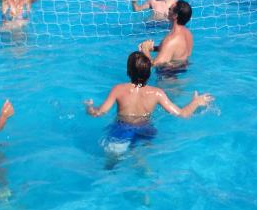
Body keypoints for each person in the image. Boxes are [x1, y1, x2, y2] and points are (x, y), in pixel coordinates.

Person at [85, 51, 213, 152]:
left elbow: (98, 113)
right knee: (141, 155)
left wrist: (89, 107)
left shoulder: (118, 90)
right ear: (149, 73)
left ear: (128, 72)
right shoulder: (157, 93)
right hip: (146, 130)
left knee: (111, 164)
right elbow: (183, 114)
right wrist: (196, 102)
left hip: (122, 129)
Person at [139, 0, 193, 71]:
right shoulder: (188, 33)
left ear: (175, 15)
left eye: (170, 9)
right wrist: (154, 48)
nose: (167, 10)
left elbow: (154, 64)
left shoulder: (171, 40)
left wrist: (145, 49)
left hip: (168, 77)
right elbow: (175, 51)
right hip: (182, 69)